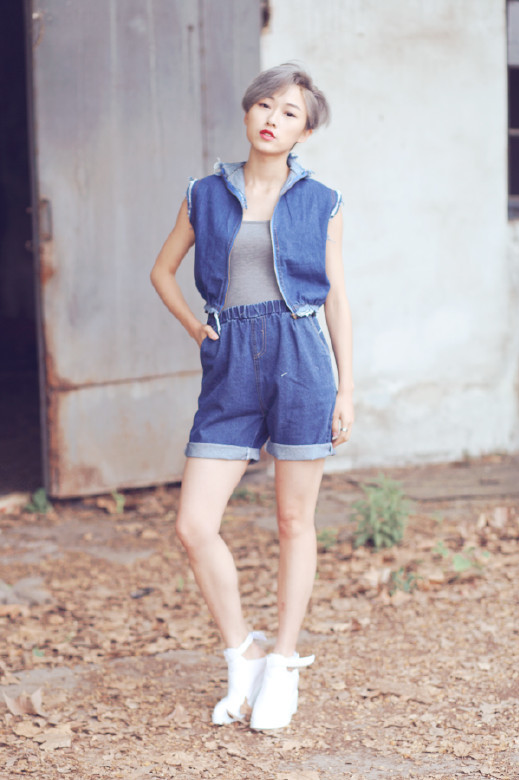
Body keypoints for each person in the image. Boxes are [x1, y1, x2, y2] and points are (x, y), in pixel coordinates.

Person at [150, 63, 354, 730]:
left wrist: (346, 389)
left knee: (294, 521)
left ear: (305, 131)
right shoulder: (204, 194)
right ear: (247, 113)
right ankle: (244, 653)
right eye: (265, 105)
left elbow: (337, 299)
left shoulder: (322, 200)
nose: (273, 118)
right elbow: (162, 270)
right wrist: (195, 326)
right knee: (193, 525)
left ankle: (284, 664)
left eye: (290, 112)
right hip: (230, 361)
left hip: (301, 358)